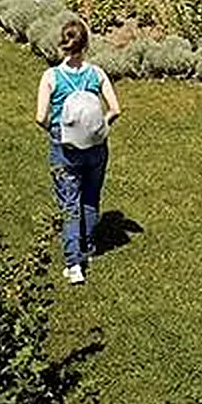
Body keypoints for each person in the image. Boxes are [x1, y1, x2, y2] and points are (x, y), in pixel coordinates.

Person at [34, 20, 121, 284]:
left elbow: (40, 117)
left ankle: (74, 265)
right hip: (96, 146)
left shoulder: (51, 77)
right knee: (91, 197)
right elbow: (116, 109)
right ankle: (88, 248)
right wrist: (100, 128)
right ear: (86, 44)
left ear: (63, 43)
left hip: (66, 147)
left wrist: (55, 132)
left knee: (69, 203)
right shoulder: (97, 74)